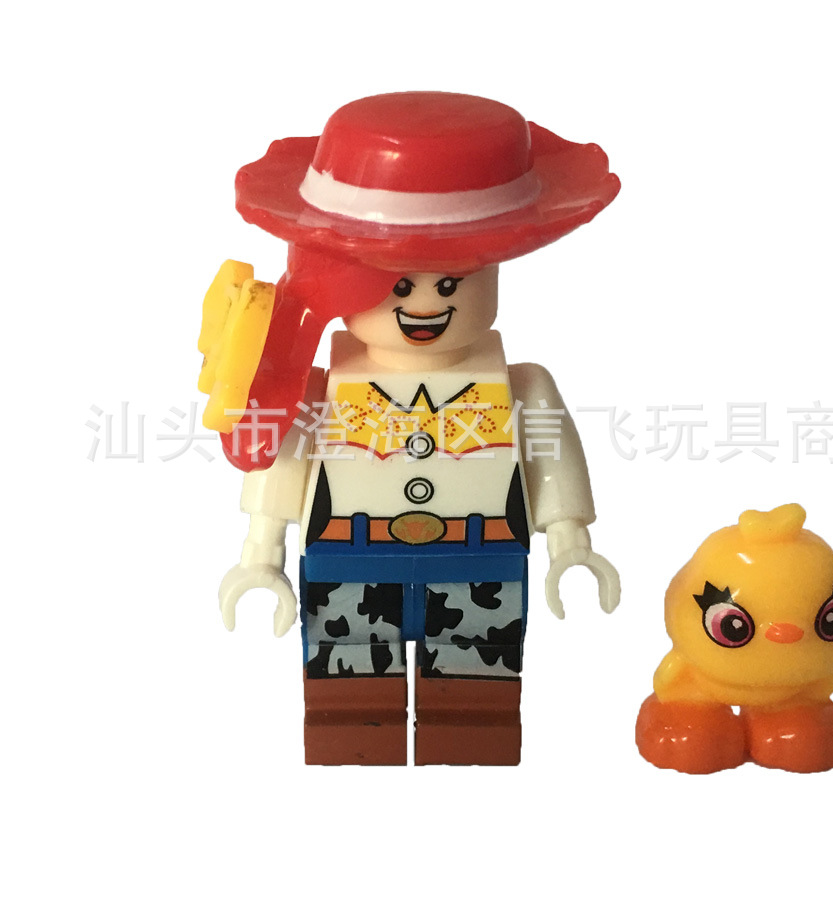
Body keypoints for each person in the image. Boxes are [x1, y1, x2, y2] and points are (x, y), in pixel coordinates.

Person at [200, 91, 621, 765]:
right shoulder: (322, 388)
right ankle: (352, 734)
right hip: (349, 555)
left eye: (451, 284)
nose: (425, 304)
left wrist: (571, 541)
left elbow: (552, 463)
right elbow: (285, 463)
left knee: (477, 680)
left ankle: (471, 735)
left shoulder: (522, 387)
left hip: (481, 559)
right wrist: (261, 554)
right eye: (399, 285)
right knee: (348, 679)